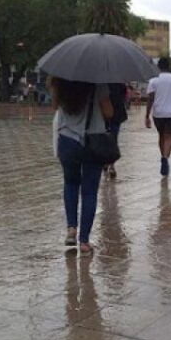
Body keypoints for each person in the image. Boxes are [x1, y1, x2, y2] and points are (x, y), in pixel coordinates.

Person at [50, 78, 113, 256]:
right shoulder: (98, 82)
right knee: (89, 191)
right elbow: (108, 112)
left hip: (67, 140)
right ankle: (84, 241)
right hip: (93, 141)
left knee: (70, 184)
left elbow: (54, 106)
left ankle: (71, 229)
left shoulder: (60, 80)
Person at [146, 58, 171, 176]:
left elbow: (150, 98)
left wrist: (147, 115)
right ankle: (165, 158)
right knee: (169, 137)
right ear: (169, 66)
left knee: (161, 136)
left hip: (158, 114)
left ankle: (163, 156)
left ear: (158, 67)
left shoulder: (153, 80)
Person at [104, 83, 128, 179]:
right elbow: (124, 97)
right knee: (113, 139)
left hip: (105, 115)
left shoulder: (101, 82)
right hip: (116, 114)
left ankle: (108, 163)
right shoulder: (119, 82)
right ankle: (111, 165)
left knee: (105, 139)